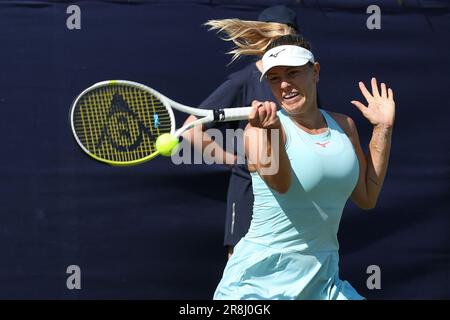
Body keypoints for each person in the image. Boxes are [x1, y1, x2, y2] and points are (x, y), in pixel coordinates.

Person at [213, 34, 396, 300]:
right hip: (258, 286)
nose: (285, 85)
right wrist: (273, 131)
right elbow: (281, 185)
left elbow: (367, 197)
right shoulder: (257, 130)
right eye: (275, 78)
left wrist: (382, 129)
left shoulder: (345, 126)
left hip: (323, 283)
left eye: (293, 73)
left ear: (315, 72)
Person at [182, 6, 299, 259]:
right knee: (241, 267)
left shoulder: (301, 83)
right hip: (250, 189)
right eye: (277, 38)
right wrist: (233, 160)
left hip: (292, 190)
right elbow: (192, 128)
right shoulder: (243, 81)